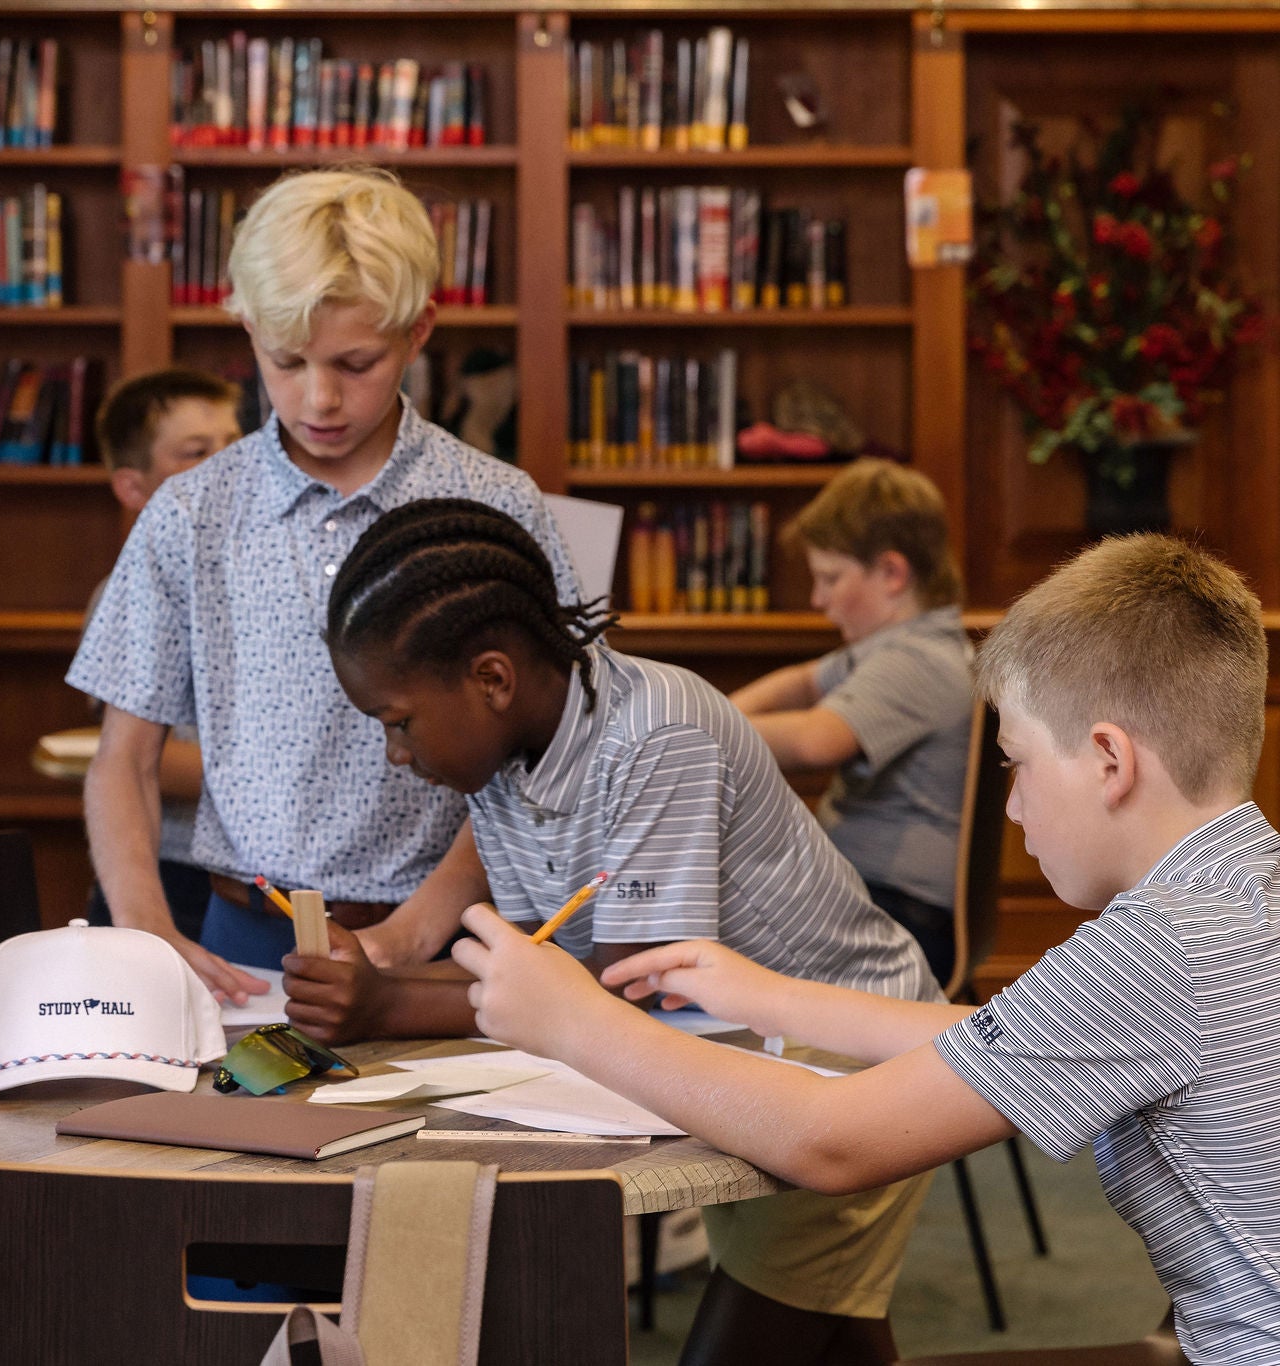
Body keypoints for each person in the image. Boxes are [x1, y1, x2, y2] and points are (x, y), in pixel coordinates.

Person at [457, 533, 1279, 1364]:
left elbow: (832, 1141)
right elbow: (995, 1037)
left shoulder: (1158, 947)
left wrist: (570, 1021)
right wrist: (773, 997)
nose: (1016, 808)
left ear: (1108, 759)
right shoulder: (1240, 894)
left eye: (1017, 765)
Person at [293, 496, 941, 1364]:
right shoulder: (501, 759)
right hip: (735, 1066)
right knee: (830, 1328)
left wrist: (384, 1007)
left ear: (490, 679)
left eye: (398, 721)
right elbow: (531, 960)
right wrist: (387, 977)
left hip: (848, 1064)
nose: (395, 754)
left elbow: (613, 993)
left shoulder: (653, 734)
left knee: (761, 1328)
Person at [66, 167, 574, 996]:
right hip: (239, 934)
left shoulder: (494, 503)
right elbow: (123, 759)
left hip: (444, 936)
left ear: (418, 333)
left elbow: (546, 756)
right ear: (247, 332)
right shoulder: (192, 512)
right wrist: (147, 931)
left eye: (356, 362)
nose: (320, 397)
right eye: (287, 360)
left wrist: (413, 934)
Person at [730, 459, 973, 984]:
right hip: (872, 900)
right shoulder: (891, 646)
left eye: (830, 579)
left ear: (891, 573)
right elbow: (801, 681)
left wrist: (695, 729)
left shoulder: (919, 660)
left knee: (695, 934)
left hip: (900, 918)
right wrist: (718, 711)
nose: (819, 600)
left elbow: (815, 741)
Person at [81, 367, 244, 943]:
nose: (225, 465)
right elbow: (142, 757)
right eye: (196, 452)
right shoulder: (129, 589)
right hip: (173, 868)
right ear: (133, 487)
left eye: (234, 444)